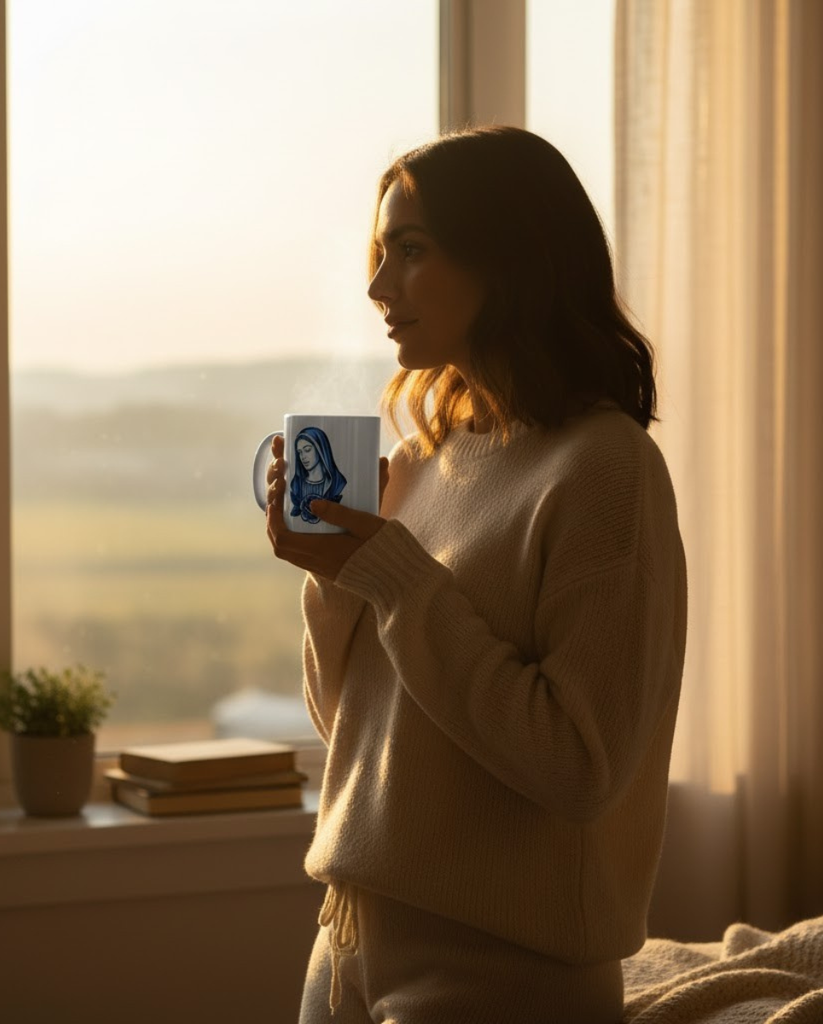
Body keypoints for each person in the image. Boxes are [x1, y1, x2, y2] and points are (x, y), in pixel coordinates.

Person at [264, 126, 687, 1024]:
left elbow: (579, 767)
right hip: (345, 942)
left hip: (498, 974)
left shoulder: (605, 472)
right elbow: (364, 730)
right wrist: (335, 576)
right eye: (381, 253)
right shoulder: (430, 457)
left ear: (514, 259)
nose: (378, 286)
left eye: (410, 252)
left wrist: (389, 576)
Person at [290, 427, 347, 524]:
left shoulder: (337, 483)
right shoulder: (297, 485)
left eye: (307, 450)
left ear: (321, 449)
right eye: (300, 452)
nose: (303, 457)